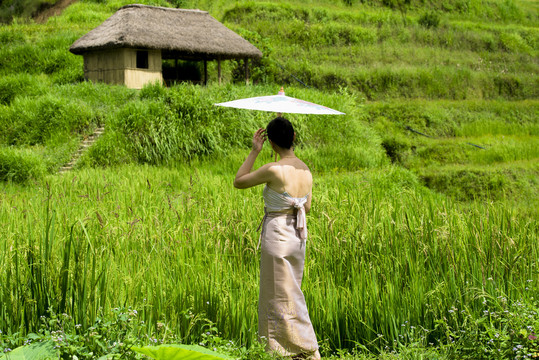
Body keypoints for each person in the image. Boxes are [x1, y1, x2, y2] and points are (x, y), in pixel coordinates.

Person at [234, 117, 321, 359]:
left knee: (276, 296)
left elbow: (239, 181)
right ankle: (295, 350)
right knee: (291, 292)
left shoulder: (273, 169)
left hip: (277, 236)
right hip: (298, 237)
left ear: (271, 143)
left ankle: (293, 349)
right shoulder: (306, 170)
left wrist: (254, 152)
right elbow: (308, 208)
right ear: (293, 137)